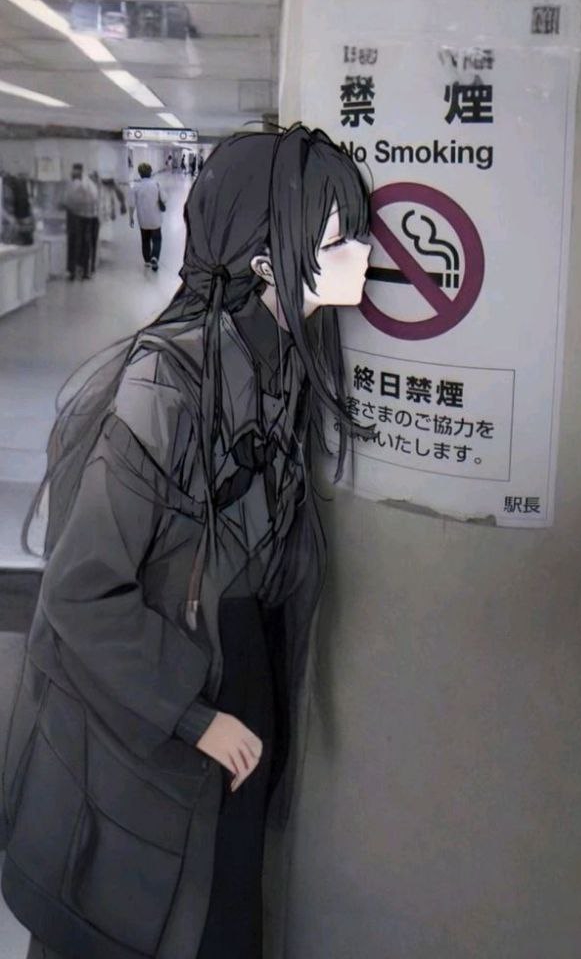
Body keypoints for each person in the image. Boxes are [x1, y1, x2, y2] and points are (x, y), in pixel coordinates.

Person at [3, 126, 372, 959]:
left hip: (233, 674)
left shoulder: (285, 367)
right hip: (163, 694)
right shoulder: (164, 383)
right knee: (144, 914)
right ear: (268, 261)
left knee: (216, 908)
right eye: (339, 239)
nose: (365, 254)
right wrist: (193, 715)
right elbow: (80, 592)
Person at [61, 162, 98, 280]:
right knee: (84, 244)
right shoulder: (89, 183)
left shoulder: (77, 184)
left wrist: (65, 205)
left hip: (76, 217)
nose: (72, 173)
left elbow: (68, 200)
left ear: (78, 171)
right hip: (88, 217)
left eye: (74, 170)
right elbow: (94, 198)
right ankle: (84, 270)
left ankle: (74, 271)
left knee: (74, 243)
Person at [127, 161, 166, 270]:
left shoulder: (136, 187)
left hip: (143, 219)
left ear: (140, 173)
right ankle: (155, 257)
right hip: (155, 219)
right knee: (157, 239)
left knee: (145, 240)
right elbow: (164, 198)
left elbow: (131, 204)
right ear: (150, 172)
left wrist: (131, 217)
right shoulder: (156, 184)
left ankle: (147, 260)